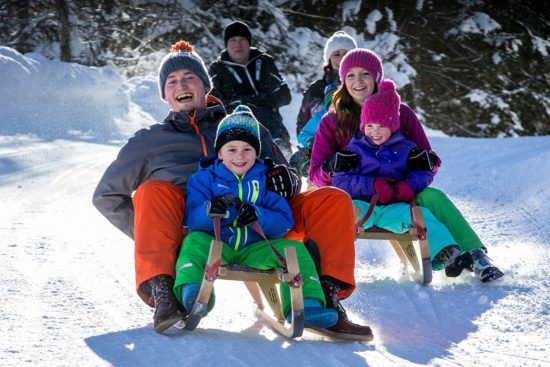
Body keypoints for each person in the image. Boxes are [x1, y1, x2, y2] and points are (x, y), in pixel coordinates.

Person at [93, 40, 372, 337]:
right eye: (172, 81)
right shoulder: (150, 140)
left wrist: (287, 178)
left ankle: (324, 298)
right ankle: (165, 292)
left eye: (190, 77)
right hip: (199, 230)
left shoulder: (241, 126)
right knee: (153, 191)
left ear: (205, 86)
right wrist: (161, 236)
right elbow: (107, 196)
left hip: (262, 223)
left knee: (332, 199)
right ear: (164, 94)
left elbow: (286, 172)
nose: (181, 85)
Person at [309, 48, 504, 282]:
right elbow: (315, 176)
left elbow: (429, 163)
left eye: (365, 74)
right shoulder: (333, 121)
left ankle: (475, 255)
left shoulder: (402, 114)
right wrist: (331, 166)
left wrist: (419, 169)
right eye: (350, 75)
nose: (358, 81)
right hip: (354, 196)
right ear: (343, 80)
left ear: (377, 77)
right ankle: (324, 275)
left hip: (400, 192)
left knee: (434, 197)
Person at [173, 105, 338, 328]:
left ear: (256, 152)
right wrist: (209, 209)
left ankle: (306, 306)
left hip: (256, 248)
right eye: (231, 150)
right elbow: (191, 221)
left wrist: (258, 215)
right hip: (218, 245)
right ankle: (193, 293)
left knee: (294, 250)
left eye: (247, 150)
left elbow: (284, 221)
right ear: (219, 153)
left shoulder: (265, 180)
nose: (239, 156)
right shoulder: (204, 179)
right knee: (192, 243)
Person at [208, 21, 292, 155]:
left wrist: (257, 101)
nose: (238, 45)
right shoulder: (217, 69)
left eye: (242, 39)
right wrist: (241, 104)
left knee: (281, 159)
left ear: (249, 42)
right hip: (237, 128)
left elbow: (285, 95)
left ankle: (283, 156)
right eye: (233, 40)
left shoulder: (265, 61)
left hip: (272, 126)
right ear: (226, 44)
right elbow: (214, 104)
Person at [290, 30, 357, 178]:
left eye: (346, 54)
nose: (341, 59)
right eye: (336, 54)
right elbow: (303, 120)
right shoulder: (316, 88)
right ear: (329, 58)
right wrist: (311, 143)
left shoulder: (360, 84)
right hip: (320, 142)